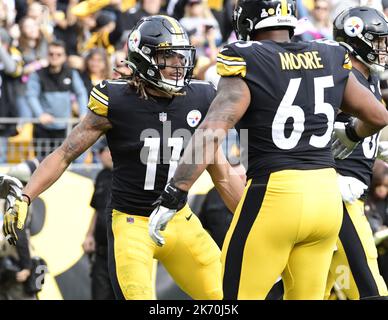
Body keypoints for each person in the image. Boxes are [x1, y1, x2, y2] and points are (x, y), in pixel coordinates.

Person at [149, 0, 388, 300]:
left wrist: (175, 192)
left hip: (275, 194)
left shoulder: (247, 57)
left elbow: (212, 131)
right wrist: (351, 133)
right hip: (326, 200)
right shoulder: (329, 53)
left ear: (246, 24)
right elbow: (378, 116)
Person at [3, 15, 244, 300]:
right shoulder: (116, 100)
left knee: (228, 296)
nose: (179, 64)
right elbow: (65, 153)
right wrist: (27, 196)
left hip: (179, 219)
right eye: (168, 56)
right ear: (143, 58)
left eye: (181, 55)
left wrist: (252, 221)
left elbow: (222, 172)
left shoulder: (201, 96)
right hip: (132, 224)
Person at [325, 6, 388, 300]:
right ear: (357, 38)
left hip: (347, 193)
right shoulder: (340, 76)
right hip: (338, 194)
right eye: (377, 41)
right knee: (371, 289)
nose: (383, 48)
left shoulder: (369, 77)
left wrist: (374, 148)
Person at [26, 40, 88, 158]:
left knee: (63, 162)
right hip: (43, 129)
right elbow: (31, 96)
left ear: (64, 56)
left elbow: (81, 92)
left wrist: (83, 112)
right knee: (42, 163)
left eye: (58, 54)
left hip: (64, 128)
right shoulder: (38, 74)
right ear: (47, 55)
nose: (54, 57)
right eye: (51, 54)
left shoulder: (71, 73)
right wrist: (40, 114)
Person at [82, 137, 115, 300]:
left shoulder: (126, 177)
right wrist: (89, 235)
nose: (101, 156)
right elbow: (97, 210)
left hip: (121, 251)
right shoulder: (101, 176)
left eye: (101, 152)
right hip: (101, 252)